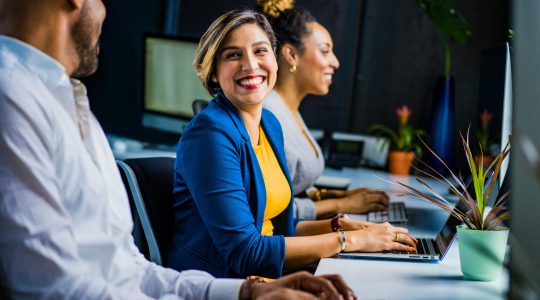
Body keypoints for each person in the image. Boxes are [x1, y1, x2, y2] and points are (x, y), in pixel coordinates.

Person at [0, 1, 356, 299]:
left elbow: (128, 269)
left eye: (261, 51)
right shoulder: (12, 97)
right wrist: (343, 239)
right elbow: (54, 287)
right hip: (230, 269)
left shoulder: (70, 103)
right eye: (234, 55)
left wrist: (246, 294)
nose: (106, 10)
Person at [167, 8, 417, 280]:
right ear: (214, 72)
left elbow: (280, 229)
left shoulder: (270, 124)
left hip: (267, 277)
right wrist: (349, 241)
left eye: (260, 51)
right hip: (221, 283)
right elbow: (245, 251)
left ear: (275, 60)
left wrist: (343, 227)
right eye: (233, 55)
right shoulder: (210, 134)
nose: (250, 65)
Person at [257, 0, 390, 221]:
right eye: (325, 51)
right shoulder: (268, 116)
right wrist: (340, 204)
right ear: (291, 54)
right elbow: (271, 210)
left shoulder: (288, 110)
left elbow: (291, 187)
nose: (335, 62)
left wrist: (335, 194)